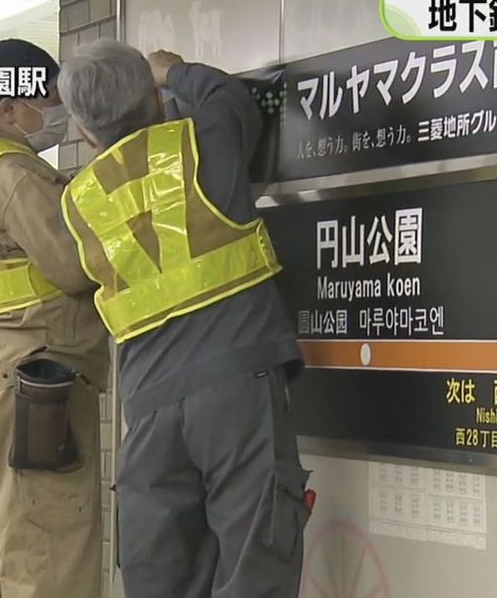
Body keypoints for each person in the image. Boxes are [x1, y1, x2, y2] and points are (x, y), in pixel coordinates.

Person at [56, 40, 311, 598]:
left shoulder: (80, 200)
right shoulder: (200, 142)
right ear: (154, 94)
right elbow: (228, 96)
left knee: (161, 575)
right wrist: (174, 70)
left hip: (148, 410)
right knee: (253, 565)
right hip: (237, 388)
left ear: (81, 131)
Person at [0, 38, 109, 598]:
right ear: (8, 110)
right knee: (49, 541)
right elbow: (74, 268)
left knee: (0, 537)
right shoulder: (17, 175)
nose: (59, 113)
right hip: (41, 375)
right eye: (50, 99)